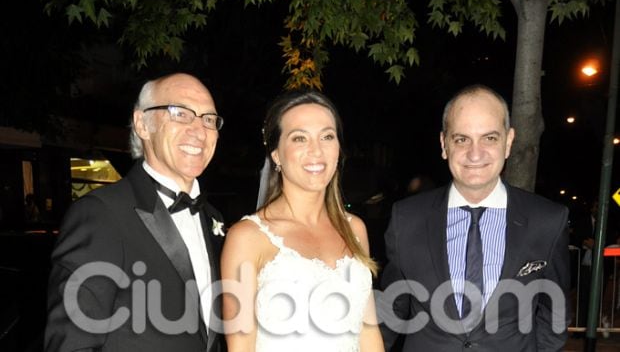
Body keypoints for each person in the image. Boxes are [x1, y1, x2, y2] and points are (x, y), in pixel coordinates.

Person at [379, 84, 570, 351]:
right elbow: (390, 313)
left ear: (509, 141)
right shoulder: (406, 219)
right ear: (444, 144)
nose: (475, 153)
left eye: (489, 138)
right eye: (462, 139)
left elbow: (554, 316)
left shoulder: (548, 220)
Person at [45, 73, 226, 352]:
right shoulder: (100, 214)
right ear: (143, 124)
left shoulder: (215, 219)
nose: (199, 130)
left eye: (208, 119)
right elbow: (72, 345)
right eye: (180, 114)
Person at [221, 91, 384, 351]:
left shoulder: (355, 229)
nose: (316, 150)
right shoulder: (248, 237)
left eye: (327, 136)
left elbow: (369, 334)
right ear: (276, 154)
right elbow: (240, 347)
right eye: (299, 138)